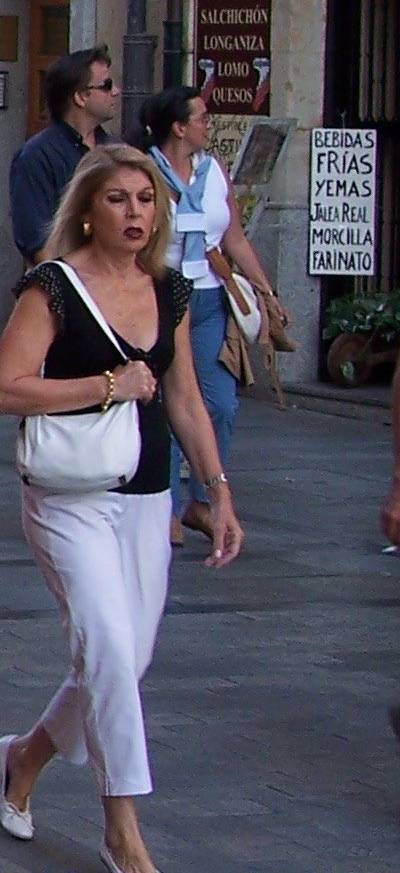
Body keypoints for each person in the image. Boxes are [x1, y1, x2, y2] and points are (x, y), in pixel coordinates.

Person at [0, 146, 240, 873]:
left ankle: (25, 758)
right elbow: (7, 389)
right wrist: (108, 384)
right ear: (89, 211)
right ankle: (123, 827)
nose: (136, 213)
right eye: (119, 199)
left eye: (146, 200)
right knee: (104, 643)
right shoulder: (53, 286)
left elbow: (185, 398)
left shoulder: (169, 289)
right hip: (68, 496)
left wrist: (218, 490)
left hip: (148, 495)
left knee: (123, 661)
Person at [139, 85, 283, 542]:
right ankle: (162, 505)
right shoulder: (145, 172)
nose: (210, 125)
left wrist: (265, 290)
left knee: (220, 404)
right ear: (179, 127)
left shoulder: (213, 170)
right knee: (166, 403)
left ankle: (202, 500)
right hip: (162, 294)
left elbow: (234, 237)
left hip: (209, 297)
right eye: (202, 118)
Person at [9, 46, 118, 263]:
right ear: (81, 97)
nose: (116, 91)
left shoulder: (116, 151)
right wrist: (67, 281)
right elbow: (37, 240)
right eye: (106, 85)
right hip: (67, 274)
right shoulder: (37, 155)